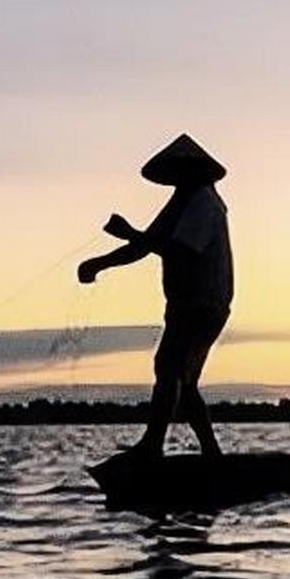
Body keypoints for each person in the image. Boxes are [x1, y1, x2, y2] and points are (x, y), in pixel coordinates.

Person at [78, 135, 232, 457]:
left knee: (169, 369)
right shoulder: (182, 201)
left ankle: (153, 446)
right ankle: (210, 453)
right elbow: (146, 245)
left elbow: (178, 250)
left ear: (191, 170)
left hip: (202, 304)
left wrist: (130, 233)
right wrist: (100, 264)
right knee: (182, 379)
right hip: (188, 304)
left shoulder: (203, 202)